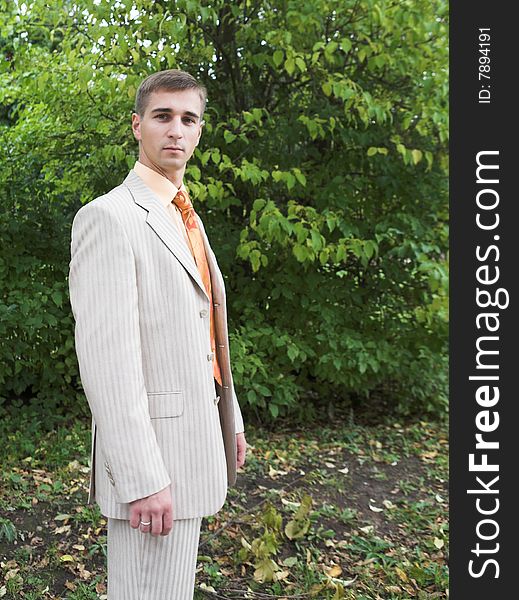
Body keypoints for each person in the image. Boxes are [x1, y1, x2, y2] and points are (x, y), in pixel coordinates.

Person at [68, 69, 247, 600]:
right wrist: (143, 475)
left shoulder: (183, 213)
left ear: (199, 131)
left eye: (188, 119)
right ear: (137, 126)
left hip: (194, 441)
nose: (176, 130)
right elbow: (107, 363)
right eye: (163, 116)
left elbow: (204, 332)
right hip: (153, 461)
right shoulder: (109, 218)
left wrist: (228, 417)